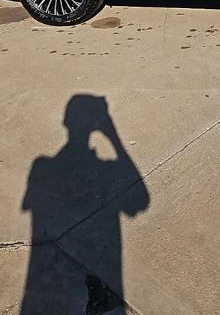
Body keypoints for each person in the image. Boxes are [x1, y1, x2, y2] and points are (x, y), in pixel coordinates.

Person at [20, 95, 149, 314]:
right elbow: (140, 200)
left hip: (44, 289)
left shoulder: (41, 167)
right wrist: (114, 137)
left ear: (65, 122)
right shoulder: (104, 171)